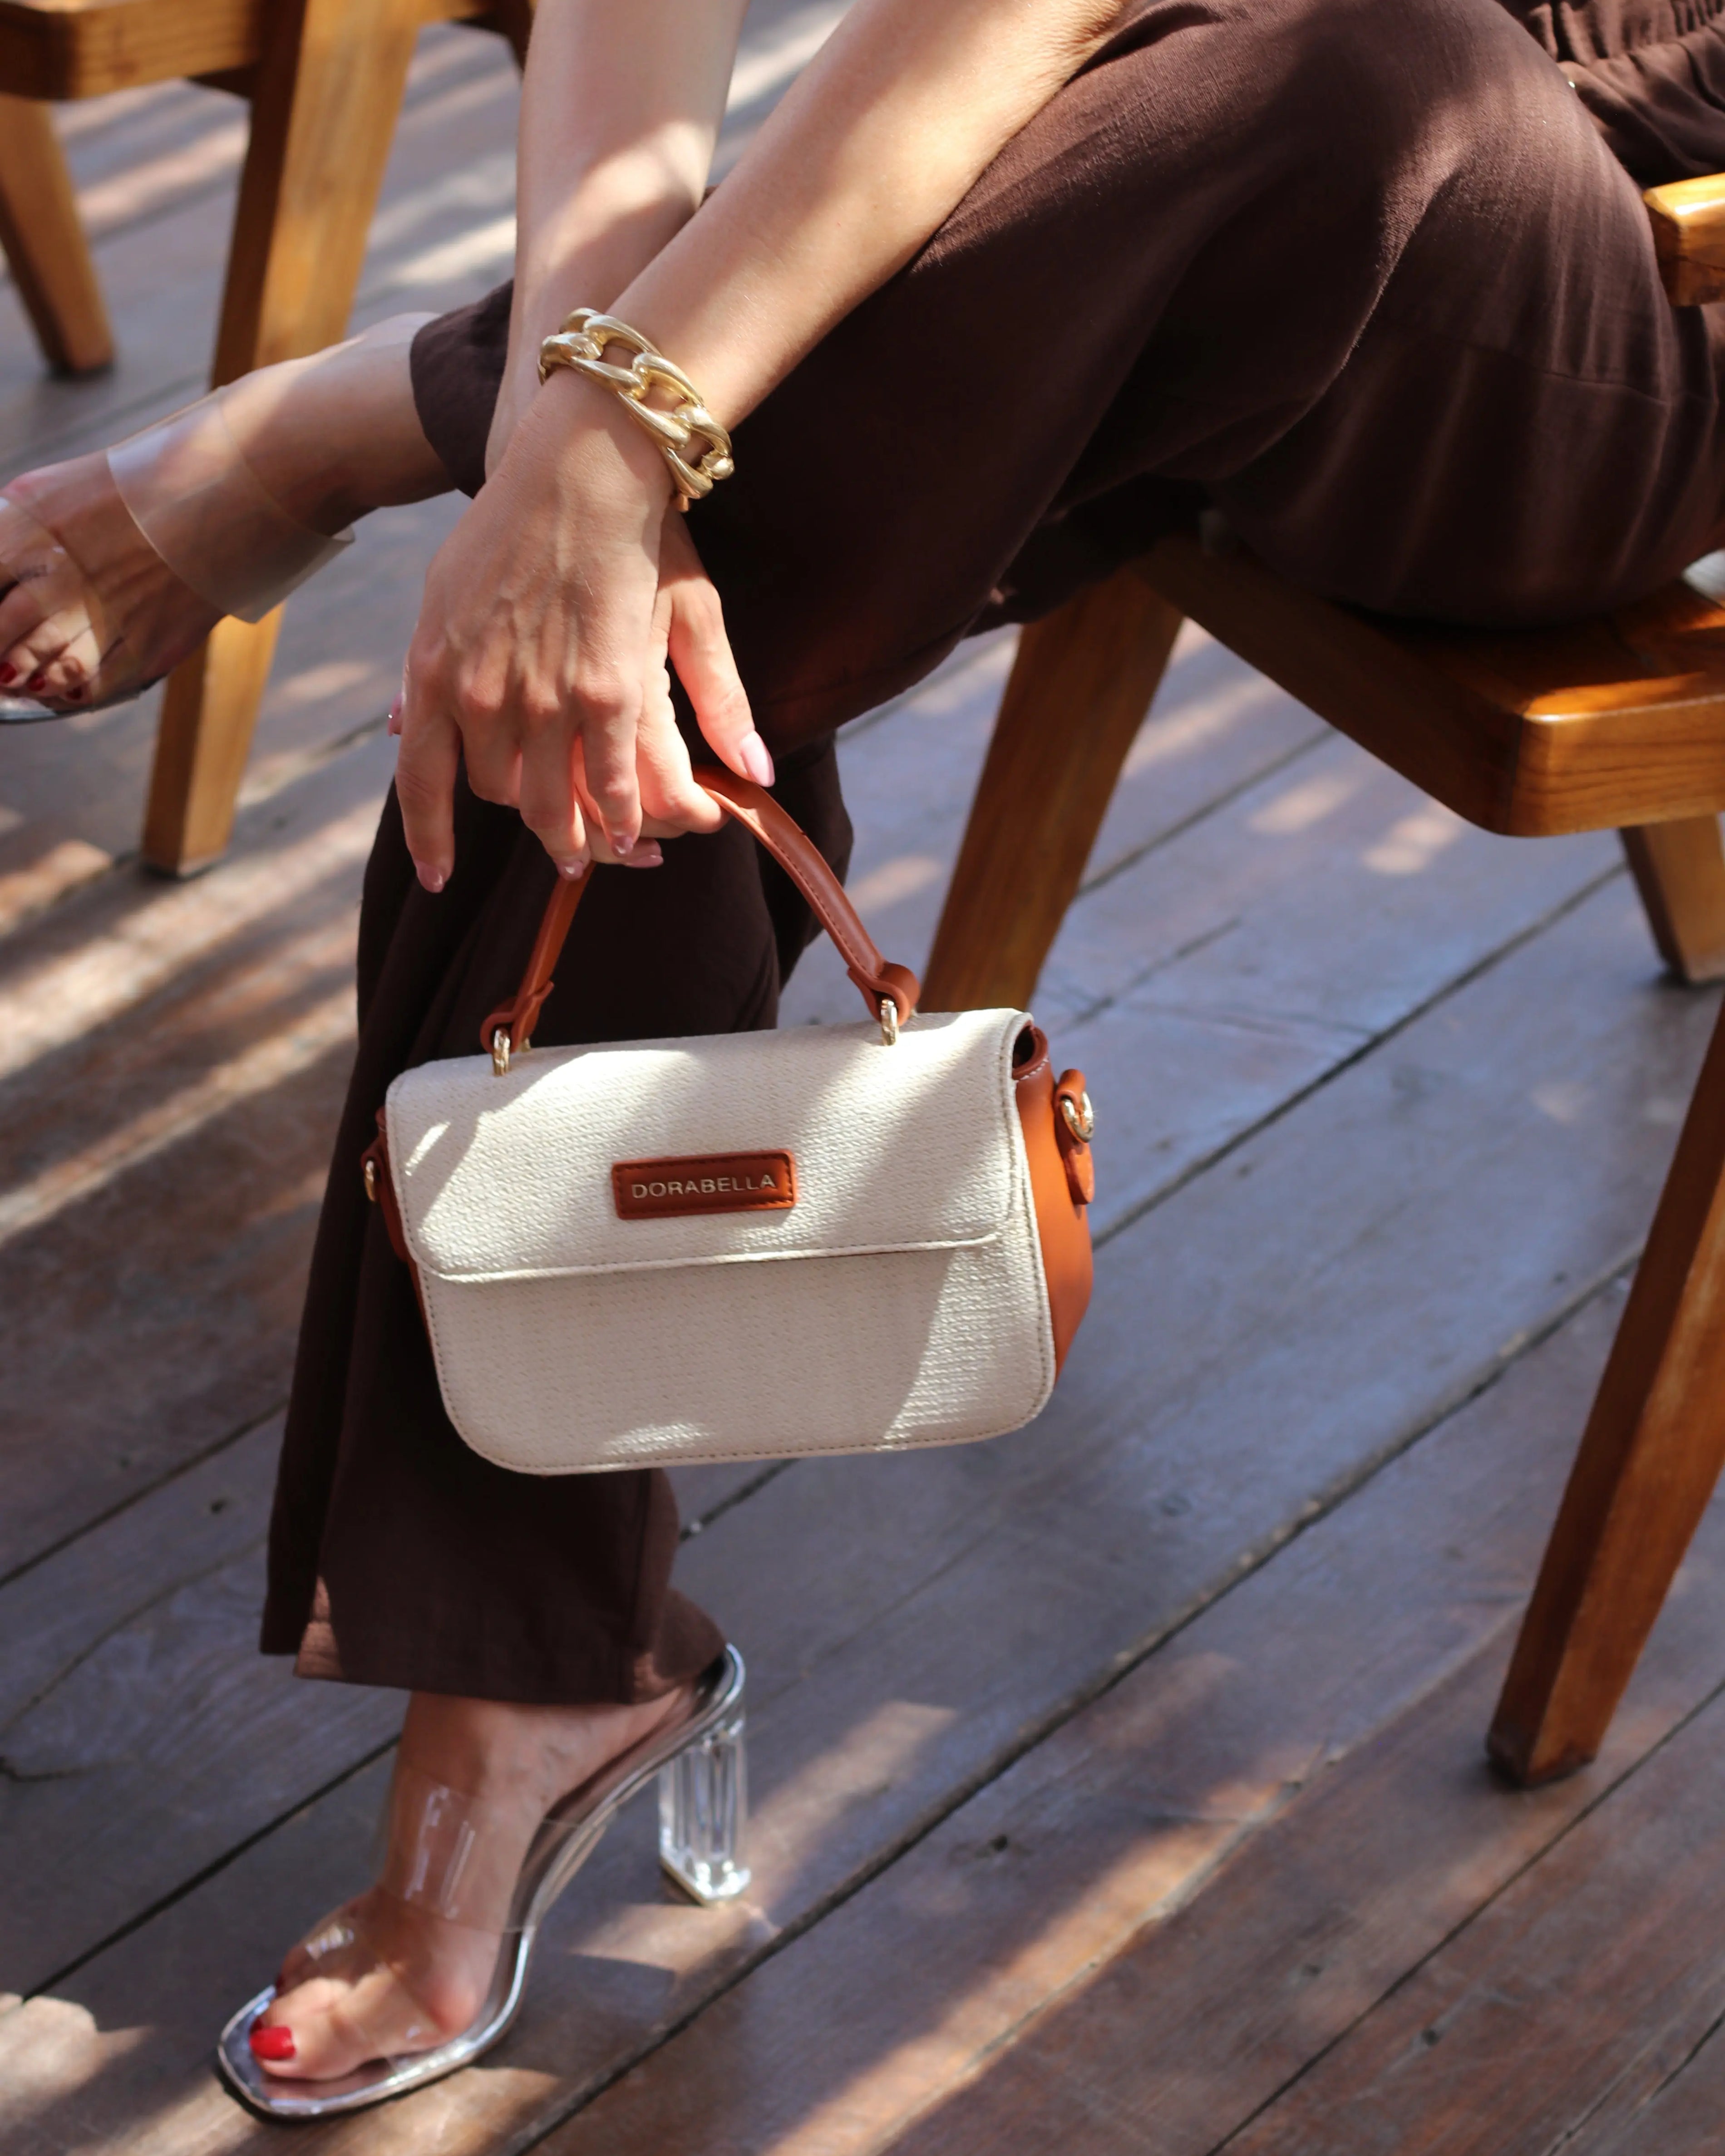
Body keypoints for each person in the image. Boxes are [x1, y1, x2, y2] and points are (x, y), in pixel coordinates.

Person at [5, 0, 1725, 2103]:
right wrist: (575, 431)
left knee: (1325, 66)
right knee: (683, 493)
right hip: (1159, 175)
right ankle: (525, 1685)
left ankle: (346, 429)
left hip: (1618, 283)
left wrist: (594, 432)